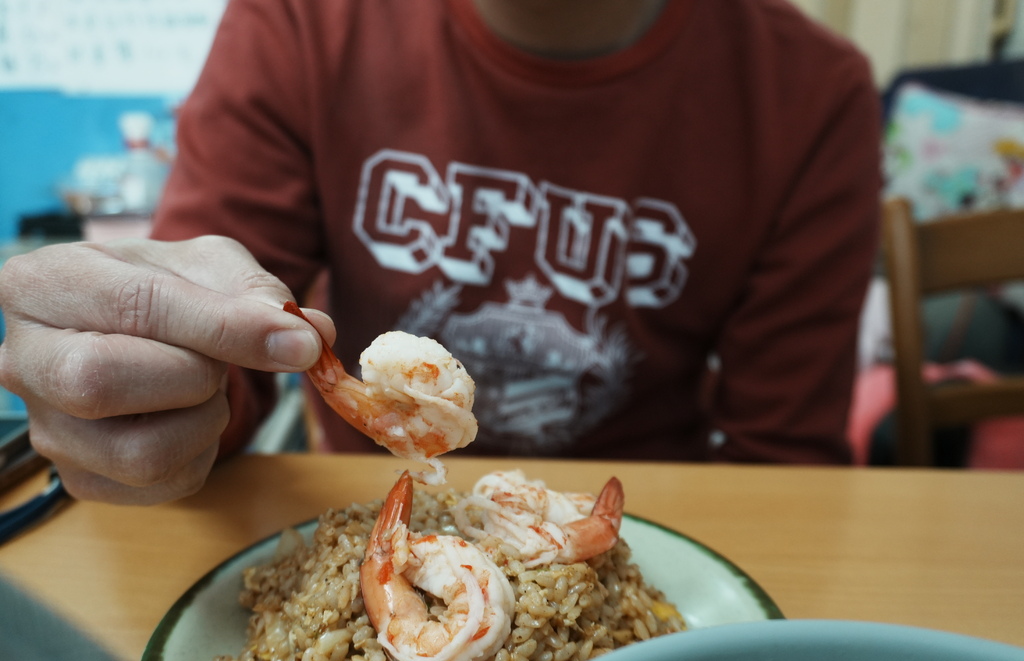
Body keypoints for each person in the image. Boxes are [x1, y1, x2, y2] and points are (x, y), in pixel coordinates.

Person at [0, 0, 881, 505]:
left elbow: (785, 470)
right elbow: (219, 373)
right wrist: (144, 393)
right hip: (369, 508)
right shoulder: (299, 21)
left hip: (642, 525)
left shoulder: (810, 93)